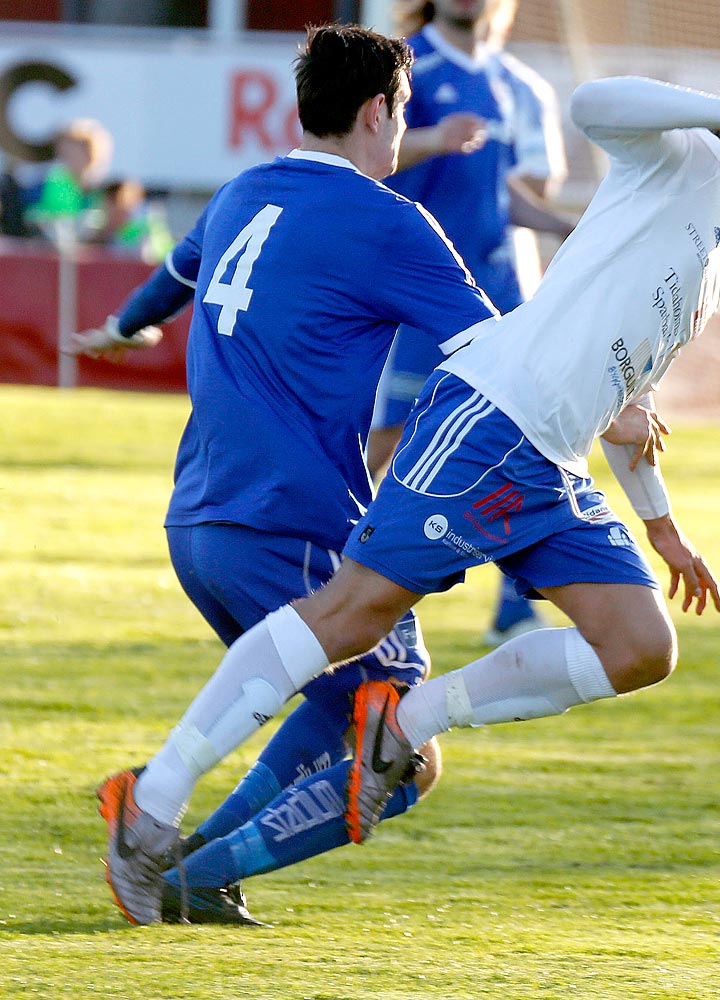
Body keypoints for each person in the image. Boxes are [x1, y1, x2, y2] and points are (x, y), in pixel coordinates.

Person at [96, 55, 720, 927]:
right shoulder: (689, 156)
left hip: (552, 461)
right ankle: (157, 798)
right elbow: (595, 102)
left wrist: (664, 531)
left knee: (639, 647)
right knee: (354, 613)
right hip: (492, 421)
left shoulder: (712, 255)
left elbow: (629, 402)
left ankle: (402, 728)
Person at [80, 23, 509, 926]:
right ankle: (172, 847)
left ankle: (194, 866)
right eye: (402, 115)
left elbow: (172, 275)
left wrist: (124, 326)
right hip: (293, 521)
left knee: (335, 701)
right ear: (377, 111)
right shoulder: (388, 219)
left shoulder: (245, 191)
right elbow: (497, 354)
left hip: (198, 521)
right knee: (401, 748)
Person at [375, 0, 575, 648]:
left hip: (502, 295)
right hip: (415, 294)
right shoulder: (405, 67)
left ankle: (516, 602)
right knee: (386, 441)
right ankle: (326, 572)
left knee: (527, 439)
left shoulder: (521, 86)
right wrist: (432, 139)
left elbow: (509, 190)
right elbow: (359, 160)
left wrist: (576, 231)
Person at [26, 118, 112, 240]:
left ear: (90, 152)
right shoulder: (50, 181)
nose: (64, 156)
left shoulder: (101, 189)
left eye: (71, 150)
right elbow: (32, 214)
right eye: (62, 151)